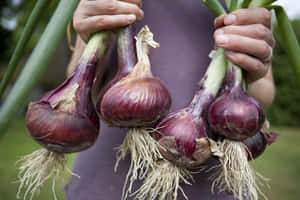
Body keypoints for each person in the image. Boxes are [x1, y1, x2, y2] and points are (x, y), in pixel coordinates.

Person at [64, 0, 275, 199]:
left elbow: (265, 93)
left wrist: (249, 69)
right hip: (105, 181)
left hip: (216, 185)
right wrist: (91, 31)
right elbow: (78, 91)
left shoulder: (245, 3)